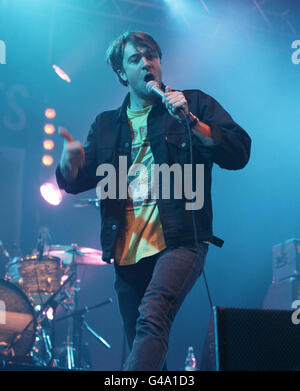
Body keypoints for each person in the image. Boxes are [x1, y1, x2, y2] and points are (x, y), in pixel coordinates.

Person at [56, 31, 251, 371]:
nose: (146, 63)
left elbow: (239, 151)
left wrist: (192, 122)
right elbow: (76, 180)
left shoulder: (193, 103)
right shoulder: (105, 126)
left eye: (152, 56)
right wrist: (69, 165)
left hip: (181, 242)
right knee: (145, 343)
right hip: (127, 251)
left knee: (153, 316)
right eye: (135, 59)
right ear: (122, 74)